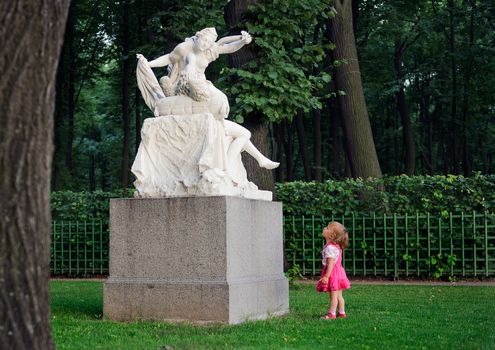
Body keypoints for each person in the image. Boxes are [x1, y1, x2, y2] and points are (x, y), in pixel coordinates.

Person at [136, 28, 279, 178]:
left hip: (203, 87)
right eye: (203, 40)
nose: (205, 44)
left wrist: (242, 41)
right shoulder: (185, 49)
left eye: (208, 42)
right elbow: (170, 58)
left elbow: (228, 47)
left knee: (238, 127)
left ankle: (253, 161)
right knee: (240, 130)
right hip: (187, 88)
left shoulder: (208, 50)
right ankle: (234, 167)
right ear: (197, 36)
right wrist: (148, 64)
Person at [317, 221, 351, 320]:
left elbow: (330, 264)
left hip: (333, 274)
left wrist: (326, 276)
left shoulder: (330, 249)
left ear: (331, 236)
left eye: (327, 228)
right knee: (339, 295)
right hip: (340, 273)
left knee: (333, 296)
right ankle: (341, 312)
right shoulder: (336, 247)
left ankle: (331, 314)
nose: (324, 228)